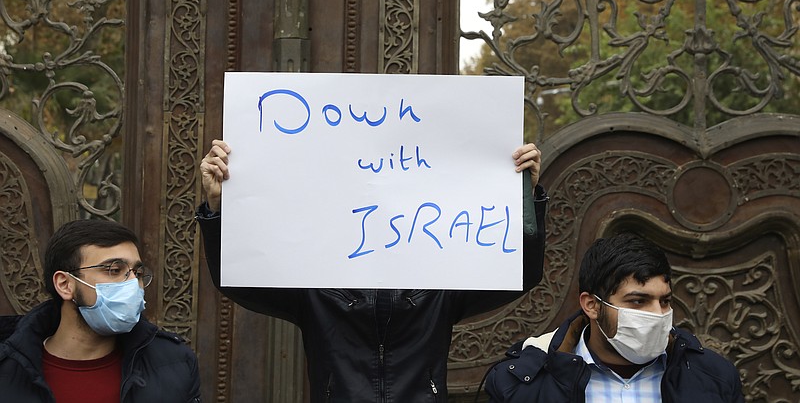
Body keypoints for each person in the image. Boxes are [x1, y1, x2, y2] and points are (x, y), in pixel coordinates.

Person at [197, 139, 548, 402]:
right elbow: (237, 279)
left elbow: (521, 274)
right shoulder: (316, 285)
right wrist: (218, 209)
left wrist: (524, 199)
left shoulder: (439, 282)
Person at [484, 232, 744, 402]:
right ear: (592, 305)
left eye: (664, 301)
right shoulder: (521, 384)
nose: (658, 314)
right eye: (638, 301)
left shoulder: (714, 377)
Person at [0, 219, 201, 402]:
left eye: (137, 273)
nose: (133, 284)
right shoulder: (8, 369)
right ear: (65, 284)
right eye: (114, 270)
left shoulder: (175, 363)